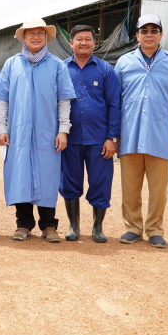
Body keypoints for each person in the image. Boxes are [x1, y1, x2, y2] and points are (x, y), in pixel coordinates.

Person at [0, 17, 76, 243]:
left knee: (47, 175)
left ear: (47, 37)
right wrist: (1, 127)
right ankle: (23, 224)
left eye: (40, 33)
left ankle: (49, 225)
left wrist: (63, 130)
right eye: (30, 33)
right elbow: (2, 99)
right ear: (23, 37)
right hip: (18, 132)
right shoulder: (11, 64)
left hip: (47, 132)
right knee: (20, 174)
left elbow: (64, 100)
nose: (35, 37)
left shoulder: (57, 65)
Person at [114, 14, 168, 248]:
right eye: (144, 31)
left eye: (154, 31)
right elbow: (114, 100)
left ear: (161, 35)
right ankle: (133, 228)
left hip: (160, 135)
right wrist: (114, 134)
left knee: (158, 190)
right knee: (130, 188)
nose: (149, 35)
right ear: (137, 35)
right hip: (129, 135)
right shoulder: (124, 62)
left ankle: (155, 229)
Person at [61, 25, 120, 243]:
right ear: (71, 43)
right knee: (69, 181)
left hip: (99, 140)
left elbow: (114, 104)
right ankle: (73, 226)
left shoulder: (105, 70)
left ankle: (98, 227)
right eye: (79, 39)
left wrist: (111, 138)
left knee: (100, 182)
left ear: (95, 43)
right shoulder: (61, 68)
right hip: (70, 138)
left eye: (88, 39)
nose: (83, 42)